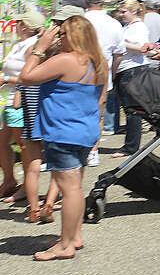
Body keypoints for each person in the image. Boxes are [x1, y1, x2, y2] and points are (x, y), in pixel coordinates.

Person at [19, 14, 106, 260]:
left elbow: (27, 77)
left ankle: (65, 245)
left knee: (70, 190)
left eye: (62, 33)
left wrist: (40, 47)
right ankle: (73, 237)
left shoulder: (68, 60)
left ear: (74, 36)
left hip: (63, 131)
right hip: (84, 129)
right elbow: (101, 101)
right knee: (75, 187)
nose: (59, 37)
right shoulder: (98, 61)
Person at [0, 12, 44, 203]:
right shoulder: (20, 43)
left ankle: (27, 187)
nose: (15, 25)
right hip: (7, 99)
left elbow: (33, 77)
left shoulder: (32, 46)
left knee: (25, 147)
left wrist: (6, 79)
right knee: (2, 143)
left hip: (20, 100)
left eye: (18, 22)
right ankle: (9, 179)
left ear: (24, 26)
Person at [84, 0, 124, 158]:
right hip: (103, 74)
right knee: (97, 115)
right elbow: (119, 54)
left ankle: (81, 148)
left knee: (79, 113)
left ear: (87, 1)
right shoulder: (113, 23)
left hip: (77, 74)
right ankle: (93, 151)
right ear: (103, 2)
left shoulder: (79, 20)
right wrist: (113, 75)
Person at [111, 0, 152, 159]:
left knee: (132, 109)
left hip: (133, 69)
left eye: (124, 12)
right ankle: (131, 145)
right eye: (120, 12)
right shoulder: (128, 26)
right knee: (130, 109)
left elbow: (141, 47)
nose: (121, 15)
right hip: (127, 68)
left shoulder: (139, 26)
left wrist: (121, 42)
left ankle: (131, 147)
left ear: (133, 11)